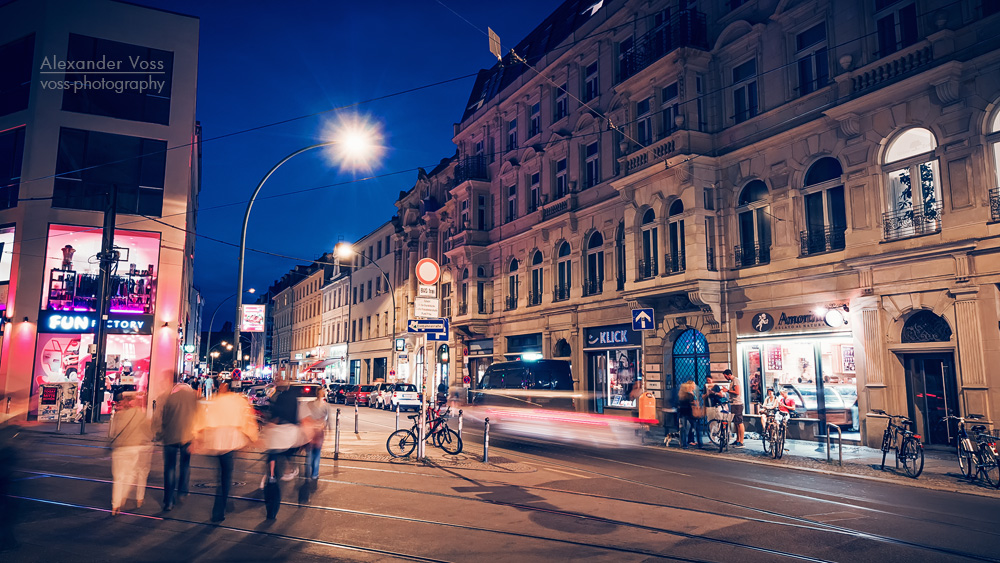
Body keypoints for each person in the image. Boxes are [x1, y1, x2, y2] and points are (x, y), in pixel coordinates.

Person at [198, 381, 258, 523]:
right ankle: (220, 508)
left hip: (215, 443)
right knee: (226, 477)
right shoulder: (237, 401)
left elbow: (204, 420)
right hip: (230, 442)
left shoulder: (215, 400)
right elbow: (246, 419)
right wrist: (252, 437)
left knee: (222, 476)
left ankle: (222, 504)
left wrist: (198, 437)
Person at [153, 376, 200, 511]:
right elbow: (198, 417)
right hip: (187, 436)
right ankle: (183, 491)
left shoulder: (166, 397)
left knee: (170, 468)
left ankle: (168, 501)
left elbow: (158, 418)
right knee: (185, 465)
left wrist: (158, 434)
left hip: (170, 436)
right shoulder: (193, 398)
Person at [108, 392, 152, 516]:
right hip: (133, 449)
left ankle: (115, 504)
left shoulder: (118, 415)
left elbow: (112, 433)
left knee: (118, 478)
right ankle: (122, 497)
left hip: (119, 449)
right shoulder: (140, 415)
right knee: (129, 476)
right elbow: (149, 433)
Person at [300, 385, 328, 480]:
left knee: (310, 452)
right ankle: (314, 474)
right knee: (317, 453)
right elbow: (328, 421)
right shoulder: (326, 405)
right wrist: (329, 431)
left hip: (311, 431)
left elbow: (306, 416)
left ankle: (308, 470)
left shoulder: (310, 404)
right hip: (319, 431)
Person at [721, 369, 745, 447]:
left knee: (739, 422)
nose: (725, 378)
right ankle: (737, 440)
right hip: (734, 404)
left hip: (737, 403)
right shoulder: (732, 381)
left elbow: (737, 392)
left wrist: (727, 390)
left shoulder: (736, 380)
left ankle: (741, 441)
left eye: (725, 376)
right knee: (736, 422)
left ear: (729, 375)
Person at [677, 381, 701, 448]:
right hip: (690, 413)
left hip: (682, 412)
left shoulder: (681, 394)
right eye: (693, 385)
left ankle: (684, 444)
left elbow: (679, 403)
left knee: (683, 429)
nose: (695, 386)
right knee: (695, 426)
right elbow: (693, 403)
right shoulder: (690, 395)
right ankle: (698, 443)